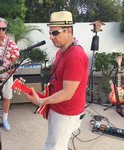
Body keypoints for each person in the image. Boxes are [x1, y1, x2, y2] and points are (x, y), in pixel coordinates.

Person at [26, 11, 89, 150]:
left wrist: (42, 101)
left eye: (55, 33)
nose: (51, 37)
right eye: (50, 33)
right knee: (59, 144)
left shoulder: (75, 56)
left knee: (53, 147)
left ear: (69, 31)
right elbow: (57, 79)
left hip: (66, 112)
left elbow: (67, 93)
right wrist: (45, 93)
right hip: (58, 107)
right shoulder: (61, 51)